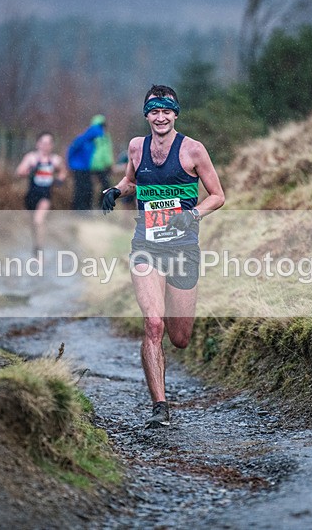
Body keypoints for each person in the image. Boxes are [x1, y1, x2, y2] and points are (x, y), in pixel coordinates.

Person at [101, 85, 225, 428]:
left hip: (183, 248)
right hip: (147, 245)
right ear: (147, 115)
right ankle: (160, 407)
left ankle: (171, 337)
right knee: (153, 324)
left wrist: (193, 214)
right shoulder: (136, 148)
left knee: (179, 338)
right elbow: (131, 181)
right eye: (154, 111)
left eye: (166, 111)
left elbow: (217, 195)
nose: (160, 117)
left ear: (175, 114)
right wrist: (115, 191)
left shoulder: (194, 151)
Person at [15, 131, 67, 254]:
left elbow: (63, 171)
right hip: (31, 195)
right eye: (43, 143)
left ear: (52, 145)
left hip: (45, 195)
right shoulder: (31, 158)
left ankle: (39, 250)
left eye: (49, 143)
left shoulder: (55, 160)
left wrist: (60, 180)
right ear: (38, 144)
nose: (46, 146)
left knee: (39, 220)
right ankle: (36, 245)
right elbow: (19, 172)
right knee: (33, 224)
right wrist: (30, 171)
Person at [68, 114, 114, 210]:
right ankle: (83, 210)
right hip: (84, 167)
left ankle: (86, 210)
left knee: (87, 189)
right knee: (84, 190)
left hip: (88, 167)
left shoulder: (93, 138)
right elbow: (73, 150)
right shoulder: (95, 137)